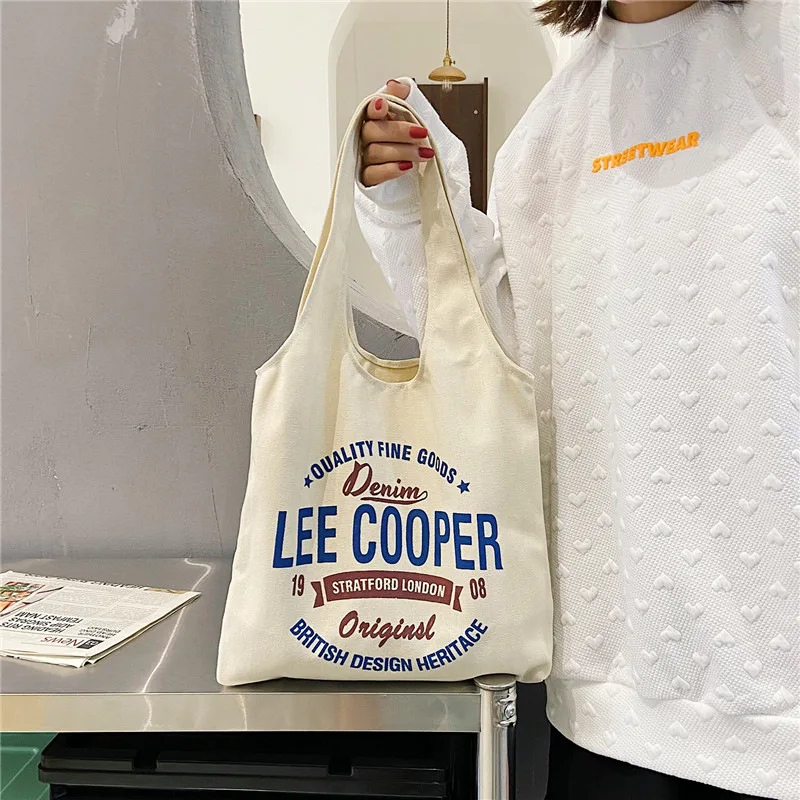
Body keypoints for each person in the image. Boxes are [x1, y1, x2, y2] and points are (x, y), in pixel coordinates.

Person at [354, 1, 799, 797]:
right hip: (611, 703)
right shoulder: (549, 135)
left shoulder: (782, 56)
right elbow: (505, 371)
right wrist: (407, 204)